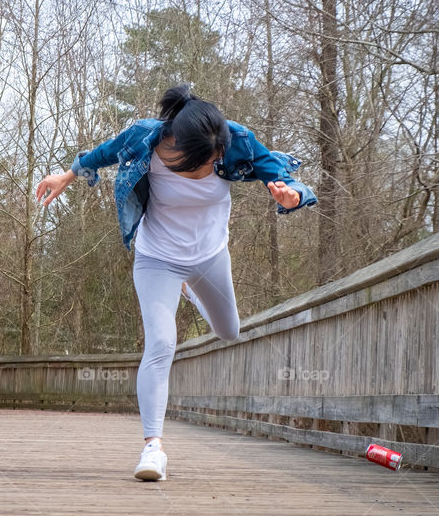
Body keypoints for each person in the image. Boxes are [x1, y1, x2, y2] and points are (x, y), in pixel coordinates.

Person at [35, 85, 316, 481]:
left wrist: (292, 196)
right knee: (162, 343)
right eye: (193, 163)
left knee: (230, 331)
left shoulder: (236, 141)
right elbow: (103, 153)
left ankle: (191, 292)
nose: (201, 170)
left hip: (209, 258)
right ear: (175, 143)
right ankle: (153, 448)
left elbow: (283, 177)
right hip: (157, 259)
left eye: (208, 163)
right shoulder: (144, 137)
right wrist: (68, 175)